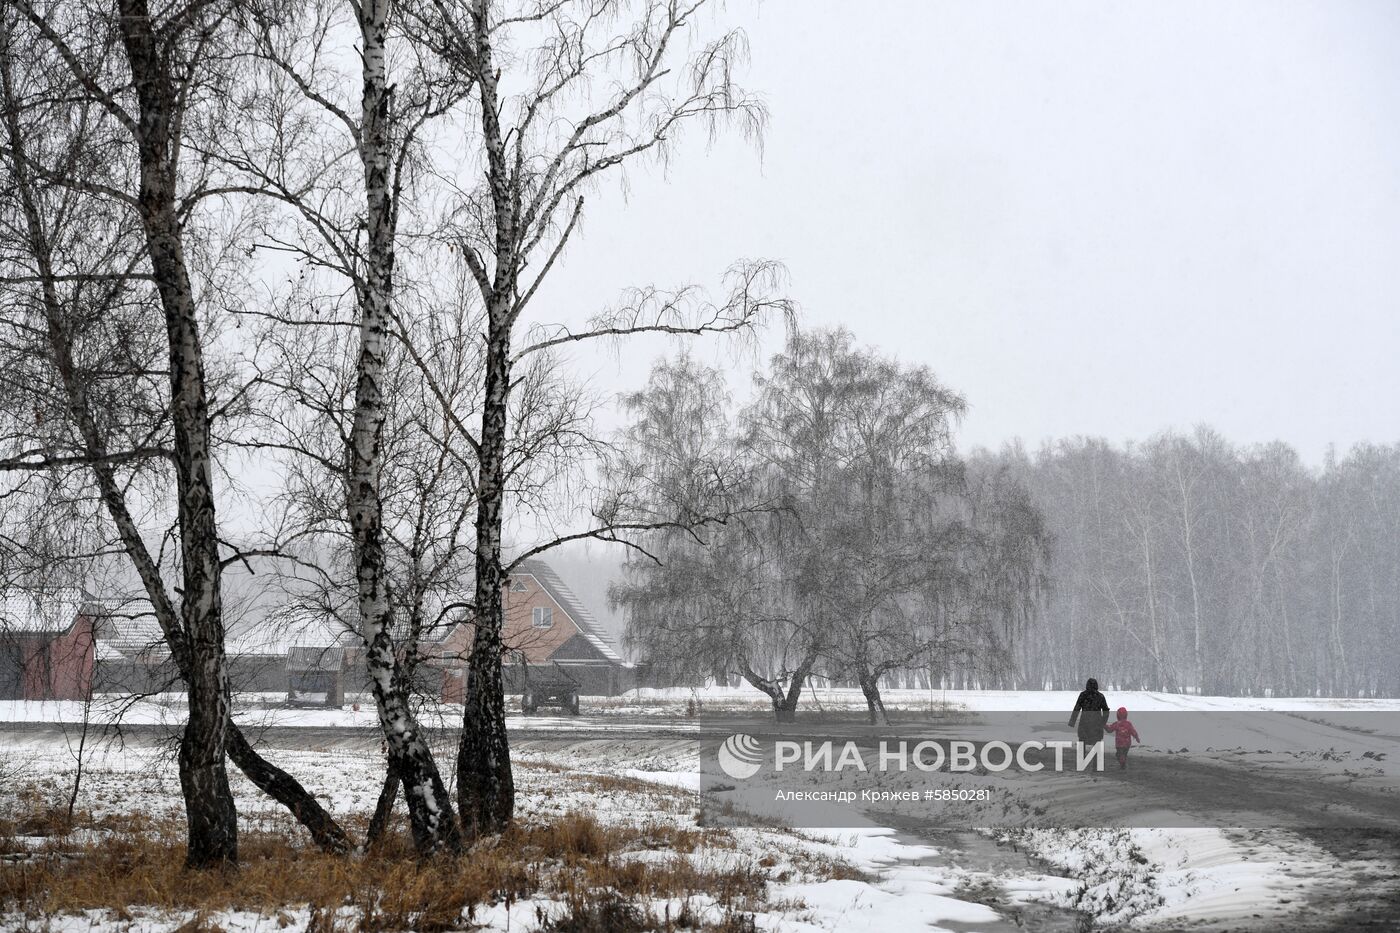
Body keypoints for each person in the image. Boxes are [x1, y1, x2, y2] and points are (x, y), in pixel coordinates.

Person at [1068, 677, 1110, 751]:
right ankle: (1096, 761)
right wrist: (1103, 722)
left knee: (1082, 743)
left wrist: (1072, 722)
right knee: (1096, 745)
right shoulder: (1100, 696)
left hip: (1084, 723)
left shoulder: (1083, 695)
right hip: (1096, 724)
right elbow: (1106, 710)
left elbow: (1077, 708)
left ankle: (1082, 760)